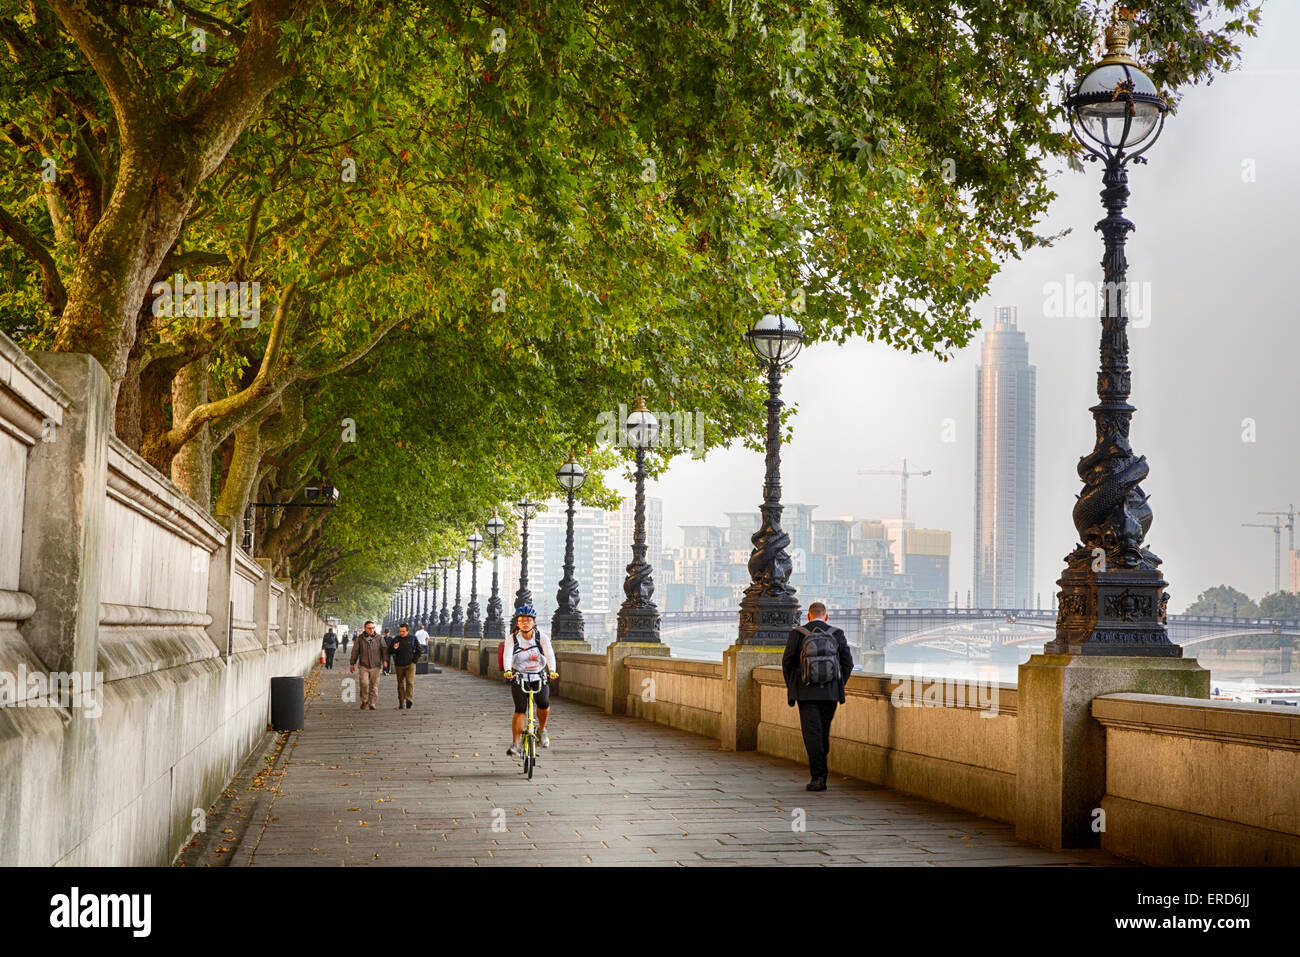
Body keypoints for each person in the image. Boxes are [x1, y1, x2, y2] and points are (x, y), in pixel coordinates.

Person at [782, 601, 854, 791]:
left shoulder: (797, 634)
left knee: (812, 735)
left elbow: (787, 664)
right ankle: (822, 771)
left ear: (809, 616)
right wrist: (838, 685)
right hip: (829, 694)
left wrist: (794, 686)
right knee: (823, 732)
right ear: (826, 616)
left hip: (806, 694)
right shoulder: (837, 634)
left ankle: (818, 778)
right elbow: (848, 664)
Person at [502, 605, 558, 756]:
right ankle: (515, 743)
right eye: (522, 621)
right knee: (520, 709)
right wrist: (508, 670)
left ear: (533, 622)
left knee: (544, 703)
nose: (525, 623)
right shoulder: (512, 638)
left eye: (528, 620)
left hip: (538, 675)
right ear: (518, 623)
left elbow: (550, 655)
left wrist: (552, 671)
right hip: (519, 676)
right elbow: (507, 655)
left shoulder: (541, 637)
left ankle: (542, 729)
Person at [349, 620, 388, 710]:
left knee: (374, 685)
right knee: (364, 683)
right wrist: (352, 663)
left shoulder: (379, 638)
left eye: (373, 628)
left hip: (376, 665)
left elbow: (384, 650)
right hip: (364, 665)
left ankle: (372, 703)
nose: (371, 630)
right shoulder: (360, 638)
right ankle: (364, 700)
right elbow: (355, 651)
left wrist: (385, 660)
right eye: (369, 628)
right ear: (365, 628)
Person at [389, 622, 420, 711]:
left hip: (410, 665)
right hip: (399, 665)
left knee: (410, 682)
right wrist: (394, 648)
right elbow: (390, 651)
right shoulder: (396, 639)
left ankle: (409, 699)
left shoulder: (413, 638)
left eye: (403, 631)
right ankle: (401, 702)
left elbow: (419, 650)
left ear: (407, 631)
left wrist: (414, 661)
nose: (401, 633)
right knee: (400, 684)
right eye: (400, 631)